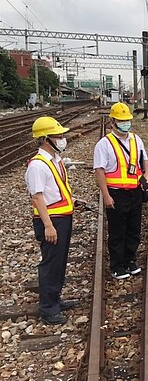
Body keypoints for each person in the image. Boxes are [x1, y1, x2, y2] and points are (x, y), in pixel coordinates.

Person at [25, 117, 79, 325]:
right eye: (59, 136)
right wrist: (48, 226)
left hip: (62, 217)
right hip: (52, 221)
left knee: (59, 262)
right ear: (46, 139)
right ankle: (48, 308)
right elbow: (37, 197)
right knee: (50, 263)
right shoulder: (38, 166)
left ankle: (55, 299)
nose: (63, 139)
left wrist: (73, 200)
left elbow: (54, 191)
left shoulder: (54, 161)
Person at [94, 102, 148, 280]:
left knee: (134, 228)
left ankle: (130, 260)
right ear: (112, 122)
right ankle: (117, 266)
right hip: (116, 193)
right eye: (122, 120)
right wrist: (106, 195)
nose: (126, 123)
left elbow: (145, 160)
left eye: (127, 120)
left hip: (134, 192)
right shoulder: (104, 144)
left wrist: (147, 177)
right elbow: (99, 171)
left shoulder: (136, 139)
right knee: (118, 230)